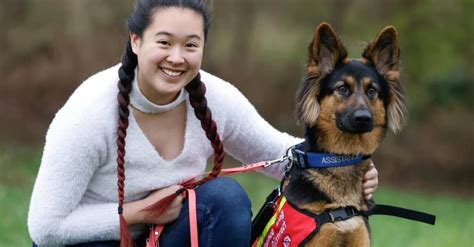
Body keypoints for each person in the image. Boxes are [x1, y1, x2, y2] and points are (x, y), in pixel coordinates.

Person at [27, 0, 379, 246]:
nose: (176, 58)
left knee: (224, 199)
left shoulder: (214, 98)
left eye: (190, 45)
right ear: (136, 41)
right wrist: (137, 213)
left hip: (161, 237)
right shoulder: (88, 113)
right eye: (164, 42)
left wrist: (346, 166)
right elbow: (46, 227)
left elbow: (280, 154)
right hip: (84, 241)